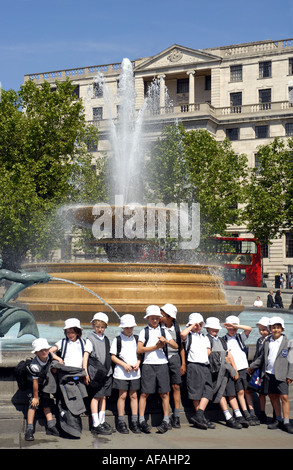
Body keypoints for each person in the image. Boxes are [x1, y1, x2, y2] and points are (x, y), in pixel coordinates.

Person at [137, 305, 178, 434]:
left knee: (165, 393)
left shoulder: (164, 331)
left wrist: (166, 341)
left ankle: (166, 420)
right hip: (148, 364)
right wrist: (155, 347)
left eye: (157, 318)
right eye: (152, 318)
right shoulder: (144, 331)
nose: (155, 320)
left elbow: (176, 345)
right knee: (144, 393)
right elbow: (139, 349)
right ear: (148, 318)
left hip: (162, 364)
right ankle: (141, 420)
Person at [249, 316, 293, 433]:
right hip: (268, 373)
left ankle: (286, 421)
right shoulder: (267, 342)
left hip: (282, 375)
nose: (276, 330)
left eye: (278, 328)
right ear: (270, 329)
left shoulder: (288, 343)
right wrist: (252, 366)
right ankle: (278, 419)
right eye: (273, 328)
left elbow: (291, 361)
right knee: (273, 397)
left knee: (284, 397)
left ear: (282, 329)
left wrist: (290, 375)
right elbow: (262, 358)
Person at [204, 317, 242, 429]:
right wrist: (223, 358)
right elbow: (208, 354)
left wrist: (234, 368)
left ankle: (238, 414)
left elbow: (229, 354)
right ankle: (228, 416)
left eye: (216, 328)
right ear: (207, 329)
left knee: (231, 392)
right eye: (212, 328)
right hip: (216, 371)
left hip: (226, 370)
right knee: (221, 393)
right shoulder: (207, 339)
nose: (215, 330)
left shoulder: (221, 340)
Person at [180, 313, 215, 430]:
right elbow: (182, 334)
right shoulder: (188, 336)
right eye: (196, 324)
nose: (198, 326)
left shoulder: (205, 337)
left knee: (208, 390)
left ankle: (199, 415)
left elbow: (208, 352)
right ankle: (201, 418)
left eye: (200, 324)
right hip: (193, 365)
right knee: (196, 392)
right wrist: (192, 325)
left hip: (205, 365)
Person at [223, 315, 259, 425]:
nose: (233, 330)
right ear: (226, 327)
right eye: (230, 328)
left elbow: (249, 329)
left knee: (248, 391)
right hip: (235, 369)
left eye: (234, 328)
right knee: (240, 391)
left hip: (244, 368)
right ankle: (246, 414)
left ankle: (252, 413)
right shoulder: (224, 340)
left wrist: (235, 325)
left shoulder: (240, 337)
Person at [83, 312, 113, 436]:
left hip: (106, 372)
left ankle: (102, 421)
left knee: (104, 397)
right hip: (97, 374)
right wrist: (85, 372)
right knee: (96, 397)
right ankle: (95, 424)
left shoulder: (105, 338)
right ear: (93, 326)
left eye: (102, 327)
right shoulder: (90, 339)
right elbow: (86, 355)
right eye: (97, 326)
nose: (99, 329)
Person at [110, 314, 141, 434]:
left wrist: (138, 362)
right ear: (122, 328)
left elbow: (139, 354)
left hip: (134, 372)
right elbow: (113, 356)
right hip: (121, 372)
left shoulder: (137, 339)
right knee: (122, 396)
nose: (129, 330)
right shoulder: (117, 339)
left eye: (131, 327)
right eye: (127, 328)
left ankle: (134, 421)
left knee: (133, 396)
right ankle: (121, 421)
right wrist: (124, 365)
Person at [24, 338, 59, 441]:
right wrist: (35, 397)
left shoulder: (49, 355)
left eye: (46, 349)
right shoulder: (34, 365)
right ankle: (29, 429)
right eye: (41, 350)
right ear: (36, 352)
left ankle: (50, 426)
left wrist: (59, 359)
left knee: (47, 404)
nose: (44, 352)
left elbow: (52, 355)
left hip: (43, 384)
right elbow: (35, 383)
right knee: (33, 405)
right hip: (33, 385)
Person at [160, 303, 186, 428]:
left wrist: (183, 363)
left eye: (162, 314)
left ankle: (176, 416)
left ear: (170, 317)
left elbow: (180, 346)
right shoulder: (158, 327)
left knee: (176, 386)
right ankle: (166, 416)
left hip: (174, 358)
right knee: (165, 388)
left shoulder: (176, 328)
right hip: (162, 358)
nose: (160, 316)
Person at [250, 316, 271, 423]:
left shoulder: (271, 340)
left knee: (271, 394)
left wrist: (252, 366)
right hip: (260, 370)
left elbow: (263, 356)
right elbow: (257, 355)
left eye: (264, 329)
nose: (261, 332)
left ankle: (277, 415)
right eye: (260, 330)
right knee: (261, 393)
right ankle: (262, 412)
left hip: (267, 370)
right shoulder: (259, 340)